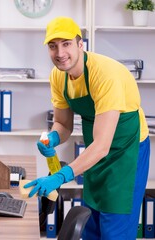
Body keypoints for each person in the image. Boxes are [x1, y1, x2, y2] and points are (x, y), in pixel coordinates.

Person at [24, 16, 150, 239]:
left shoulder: (105, 75)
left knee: (115, 227)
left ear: (80, 44)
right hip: (96, 152)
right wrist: (52, 137)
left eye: (66, 44)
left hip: (126, 152)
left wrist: (60, 177)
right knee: (91, 223)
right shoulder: (58, 76)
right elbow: (63, 124)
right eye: (53, 46)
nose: (60, 53)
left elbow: (103, 145)